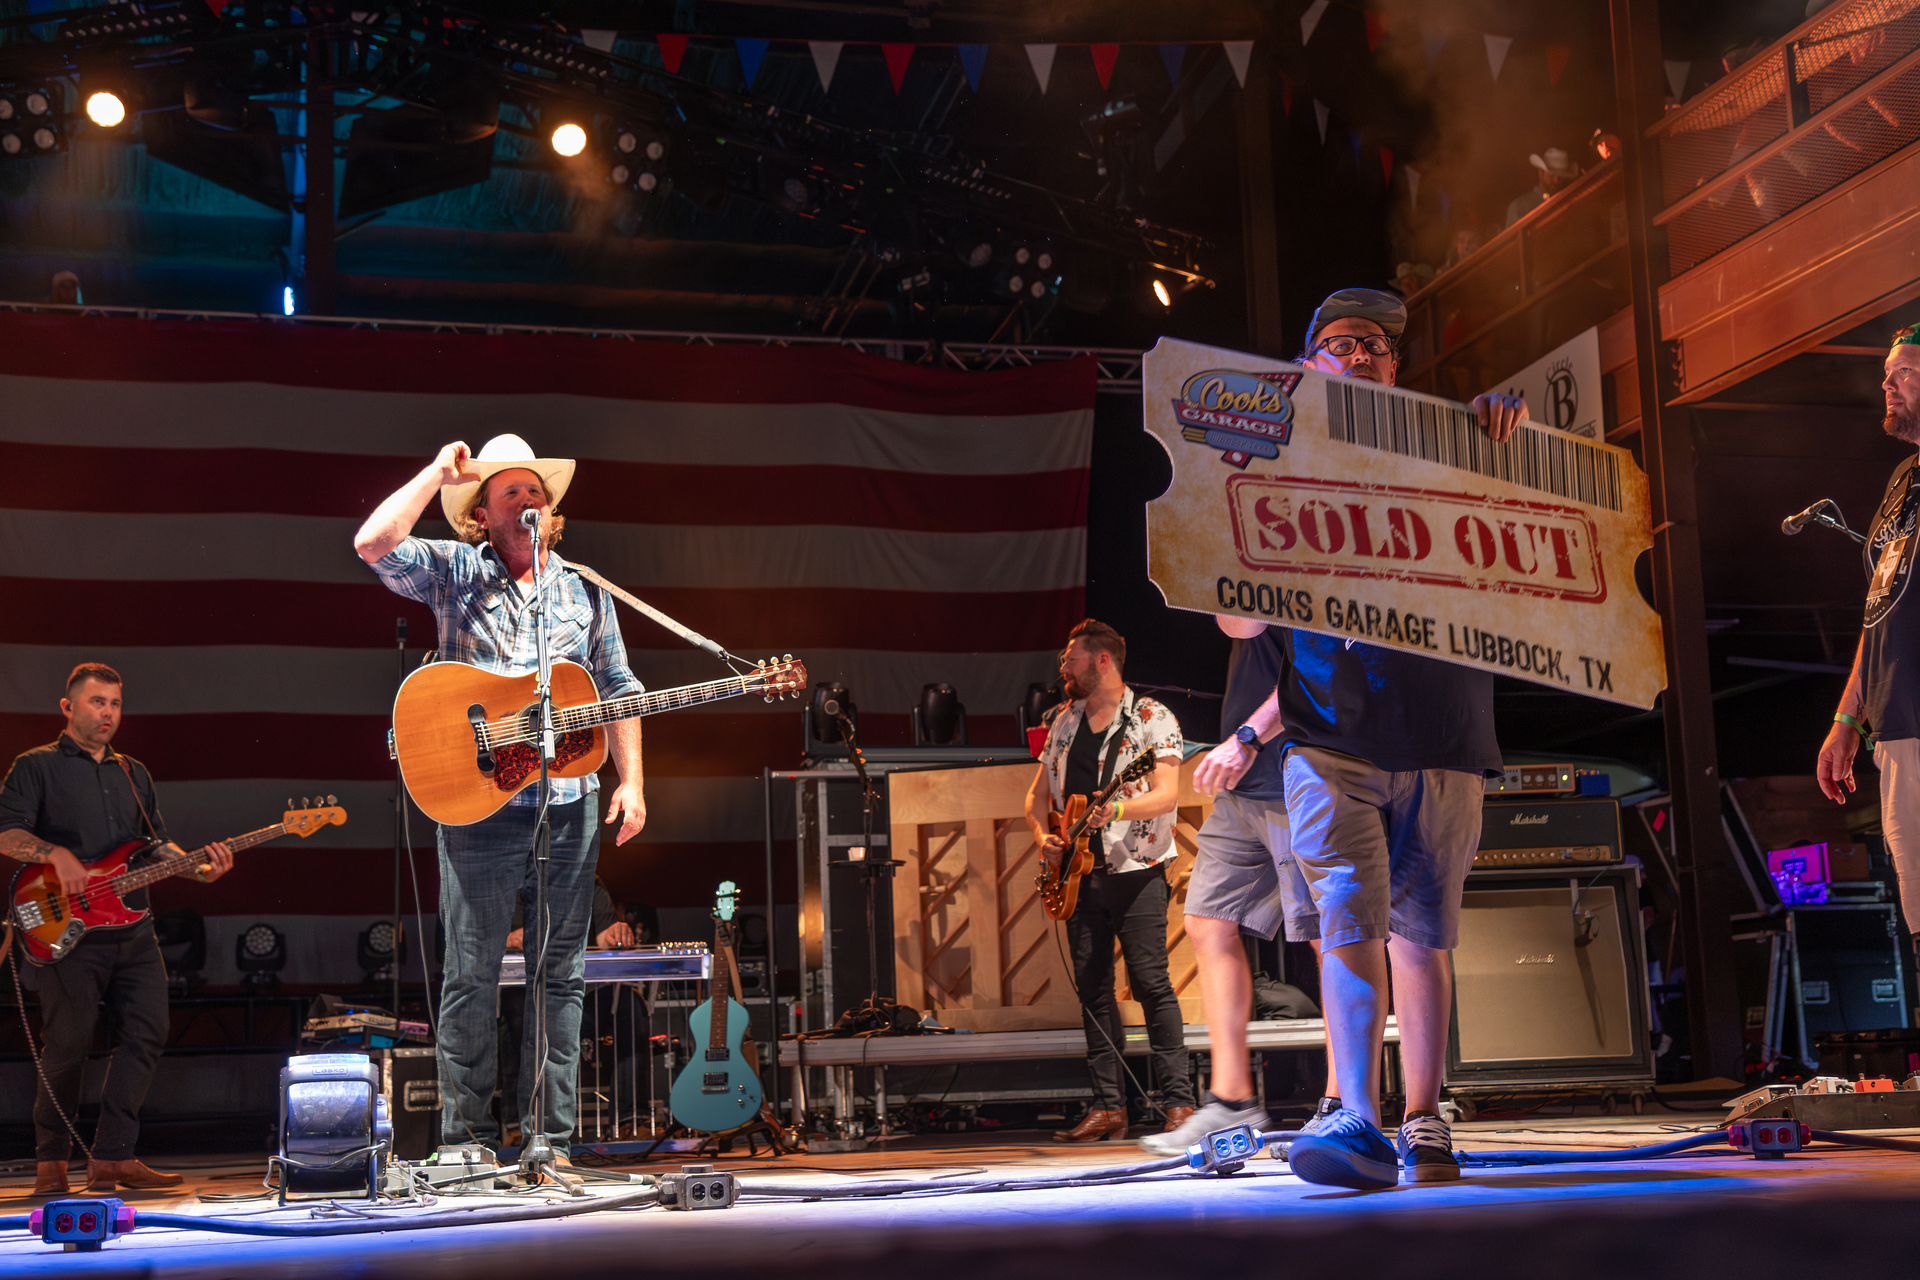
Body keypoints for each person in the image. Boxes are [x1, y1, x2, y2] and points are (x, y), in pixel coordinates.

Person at [1216, 289, 1523, 1189]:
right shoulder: (1277, 460)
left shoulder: (1456, 449)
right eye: (1342, 341)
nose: (1363, 354)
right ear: (1310, 363)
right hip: (1330, 733)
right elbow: (1238, 628)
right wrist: (1236, 495)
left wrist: (1502, 444)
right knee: (1349, 923)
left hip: (1443, 727)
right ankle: (1357, 1112)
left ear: (1397, 369)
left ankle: (1422, 1119)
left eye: (1379, 344)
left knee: (1422, 934)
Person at [354, 434, 648, 1164]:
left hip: (570, 797)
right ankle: (467, 1143)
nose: (528, 500)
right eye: (509, 491)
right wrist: (434, 473)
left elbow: (620, 689)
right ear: (480, 515)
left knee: (562, 975)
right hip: (477, 803)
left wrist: (632, 780)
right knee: (472, 972)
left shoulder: (584, 589)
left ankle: (550, 1141)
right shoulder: (456, 570)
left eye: (534, 490)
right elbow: (372, 543)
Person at [0, 663, 234, 1196]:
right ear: (68, 707)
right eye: (96, 702)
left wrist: (197, 867)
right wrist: (53, 853)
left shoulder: (134, 771)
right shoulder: (35, 767)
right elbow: (5, 833)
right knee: (67, 1045)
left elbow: (155, 845)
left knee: (148, 1033)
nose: (107, 713)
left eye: (114, 704)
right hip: (65, 928)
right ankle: (51, 1165)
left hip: (131, 926)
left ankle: (112, 1157)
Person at [1139, 621, 1336, 1156]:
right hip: (1242, 785)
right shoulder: (1247, 570)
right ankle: (1231, 1102)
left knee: (1329, 938)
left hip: (1298, 772)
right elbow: (1239, 625)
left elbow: (1307, 669)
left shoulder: (1290, 573)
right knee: (1207, 919)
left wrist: (1247, 737)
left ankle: (1342, 1106)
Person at [1024, 619, 1195, 1141]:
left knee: (1150, 982)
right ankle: (1108, 1106)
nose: (1063, 666)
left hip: (1137, 870)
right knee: (1092, 989)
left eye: (1071, 657)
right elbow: (1035, 799)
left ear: (1102, 660)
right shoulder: (1063, 722)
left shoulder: (1152, 717)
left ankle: (1180, 1105)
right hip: (1077, 874)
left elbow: (1167, 793)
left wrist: (1116, 805)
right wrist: (1042, 838)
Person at [1819, 322, 1920, 964]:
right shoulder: (1902, 478)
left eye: (1904, 371)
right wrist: (1847, 719)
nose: (1886, 383)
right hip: (1897, 726)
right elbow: (1877, 609)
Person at [1505, 147, 1580, 228]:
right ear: (1540, 172)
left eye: (1560, 177)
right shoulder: (1519, 206)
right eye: (1551, 175)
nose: (1556, 181)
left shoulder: (1569, 203)